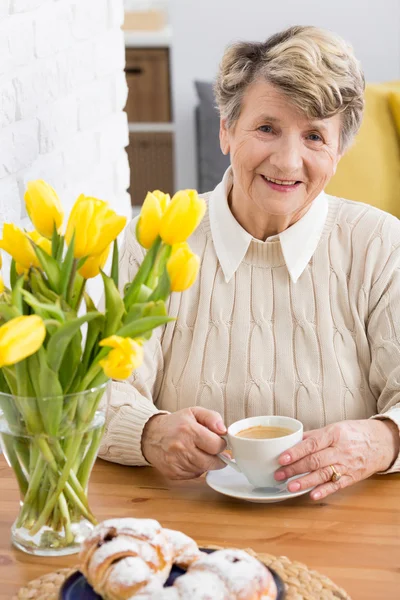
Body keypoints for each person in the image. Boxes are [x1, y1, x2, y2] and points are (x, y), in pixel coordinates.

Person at [99, 25, 400, 501]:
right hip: (187, 522)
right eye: (267, 128)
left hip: (341, 524)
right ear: (226, 129)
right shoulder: (156, 238)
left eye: (315, 136)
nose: (287, 161)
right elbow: (91, 391)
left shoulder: (381, 245)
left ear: (338, 152)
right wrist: (149, 430)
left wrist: (384, 439)